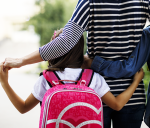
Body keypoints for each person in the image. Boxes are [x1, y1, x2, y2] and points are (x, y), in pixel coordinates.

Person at [3, 0, 150, 127]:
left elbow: (65, 42)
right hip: (132, 95)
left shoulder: (90, 0)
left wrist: (21, 61)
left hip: (94, 93)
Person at [0, 31, 144, 119]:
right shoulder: (93, 78)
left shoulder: (46, 79)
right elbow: (117, 105)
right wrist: (136, 81)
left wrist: (5, 83)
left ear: (53, 51)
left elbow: (23, 108)